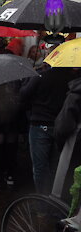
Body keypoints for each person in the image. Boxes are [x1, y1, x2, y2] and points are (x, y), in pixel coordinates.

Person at [20, 66, 78, 194]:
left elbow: (23, 95)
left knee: (40, 168)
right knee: (56, 168)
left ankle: (42, 205)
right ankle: (54, 200)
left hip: (40, 125)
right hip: (61, 127)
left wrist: (26, 80)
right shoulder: (72, 78)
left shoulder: (40, 75)